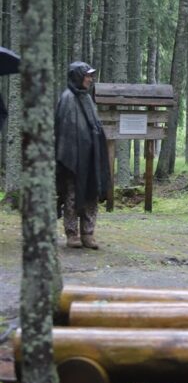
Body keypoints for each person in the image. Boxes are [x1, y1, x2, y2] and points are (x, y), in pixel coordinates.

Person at [55, 62, 109, 249]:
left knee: (91, 194)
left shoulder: (86, 98)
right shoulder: (67, 98)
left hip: (90, 156)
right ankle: (72, 234)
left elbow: (94, 125)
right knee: (72, 195)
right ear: (78, 76)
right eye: (87, 76)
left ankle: (88, 233)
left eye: (90, 76)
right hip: (74, 158)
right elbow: (63, 130)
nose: (90, 79)